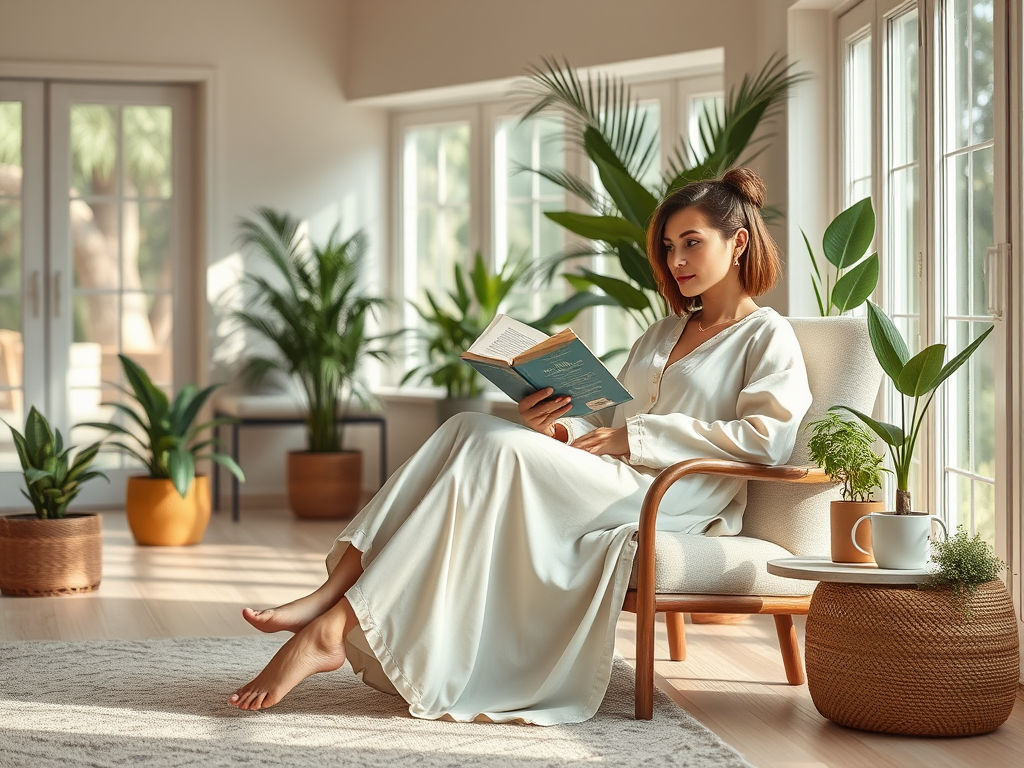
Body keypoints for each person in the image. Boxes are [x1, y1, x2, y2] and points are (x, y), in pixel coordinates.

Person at [228, 167, 812, 725]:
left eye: (691, 243)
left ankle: (330, 628)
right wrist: (559, 427)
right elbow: (609, 421)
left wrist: (630, 437)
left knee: (490, 445)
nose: (675, 260)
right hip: (615, 477)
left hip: (676, 496)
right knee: (468, 426)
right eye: (666, 247)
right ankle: (331, 594)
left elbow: (765, 442)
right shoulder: (661, 332)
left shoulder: (767, 335)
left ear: (737, 243)